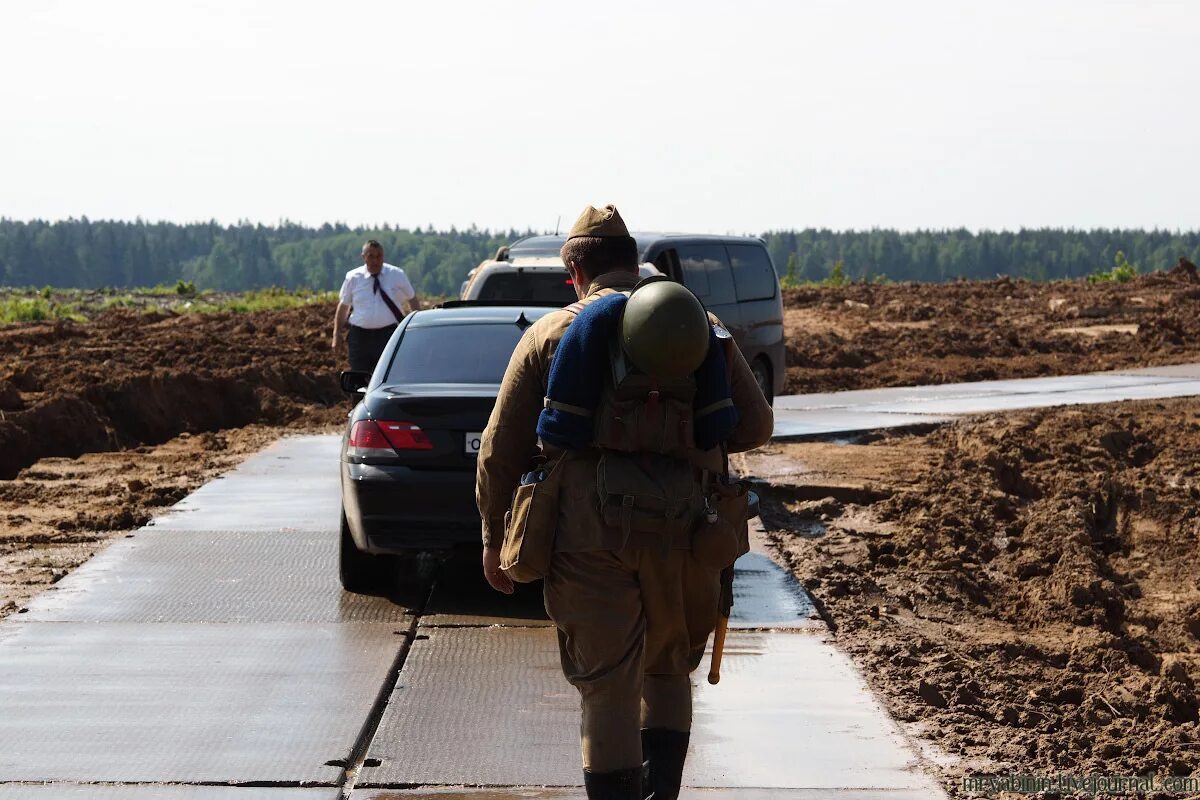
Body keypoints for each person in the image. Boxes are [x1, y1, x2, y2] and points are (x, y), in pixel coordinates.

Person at [476, 205, 774, 799]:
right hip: (688, 527)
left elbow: (501, 448)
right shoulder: (701, 326)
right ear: (633, 262)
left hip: (589, 532)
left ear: (576, 273)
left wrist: (492, 536)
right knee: (669, 667)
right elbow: (755, 426)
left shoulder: (552, 333)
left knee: (608, 683)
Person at [331, 240, 422, 372]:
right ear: (363, 257)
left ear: (383, 256)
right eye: (371, 256)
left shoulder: (396, 275)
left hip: (388, 336)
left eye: (379, 256)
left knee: (387, 375)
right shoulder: (353, 278)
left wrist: (417, 328)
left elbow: (412, 299)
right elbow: (343, 306)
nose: (375, 261)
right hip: (360, 338)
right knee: (358, 379)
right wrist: (336, 334)